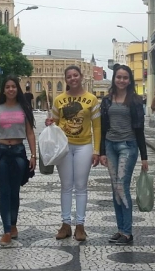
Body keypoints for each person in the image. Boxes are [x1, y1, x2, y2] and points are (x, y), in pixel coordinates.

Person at [46, 65, 102, 241]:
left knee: (81, 186)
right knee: (66, 186)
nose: (73, 78)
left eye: (75, 75)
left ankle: (80, 225)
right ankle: (65, 224)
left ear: (81, 76)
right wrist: (50, 123)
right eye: (69, 76)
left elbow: (97, 127)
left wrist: (96, 150)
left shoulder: (92, 99)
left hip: (83, 146)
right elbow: (55, 124)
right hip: (64, 147)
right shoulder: (59, 100)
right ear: (66, 79)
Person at [0, 76, 37, 247]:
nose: (11, 89)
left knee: (14, 192)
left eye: (13, 86)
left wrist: (34, 155)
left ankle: (13, 224)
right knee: (4, 192)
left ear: (17, 89)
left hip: (18, 153)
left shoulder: (24, 108)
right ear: (4, 90)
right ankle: (6, 230)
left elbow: (30, 133)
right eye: (7, 87)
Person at [99, 65, 148, 245]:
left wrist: (144, 157)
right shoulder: (107, 100)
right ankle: (120, 230)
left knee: (122, 187)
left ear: (130, 80)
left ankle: (127, 232)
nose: (121, 80)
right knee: (115, 188)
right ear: (114, 79)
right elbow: (103, 127)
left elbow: (140, 129)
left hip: (128, 146)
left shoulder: (135, 100)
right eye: (118, 77)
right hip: (110, 145)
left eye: (125, 77)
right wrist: (102, 152)